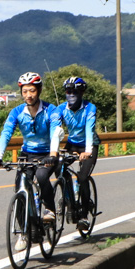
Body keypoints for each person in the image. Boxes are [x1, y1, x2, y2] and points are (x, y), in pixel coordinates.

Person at [0, 72, 58, 246]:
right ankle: (23, 234)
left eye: (32, 91)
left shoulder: (51, 110)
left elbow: (56, 132)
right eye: (25, 91)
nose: (29, 95)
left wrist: (53, 154)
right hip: (27, 153)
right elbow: (6, 133)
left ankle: (50, 210)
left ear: (39, 90)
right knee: (21, 189)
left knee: (43, 177)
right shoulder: (16, 112)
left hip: (47, 154)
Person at [51, 76, 98, 231]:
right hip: (72, 144)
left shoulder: (90, 108)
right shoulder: (61, 109)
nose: (71, 94)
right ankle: (69, 199)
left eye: (75, 91)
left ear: (82, 92)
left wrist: (88, 151)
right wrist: (54, 150)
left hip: (89, 145)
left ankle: (84, 215)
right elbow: (56, 130)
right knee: (58, 167)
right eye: (68, 91)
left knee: (83, 177)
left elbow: (89, 130)